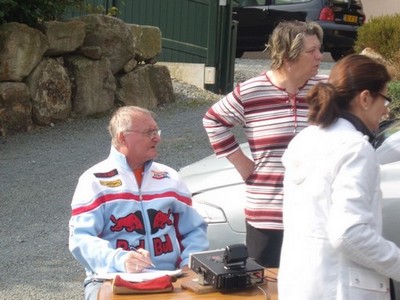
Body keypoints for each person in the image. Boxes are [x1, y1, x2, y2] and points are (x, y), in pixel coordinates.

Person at [202, 20, 327, 267]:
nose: (319, 56)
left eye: (318, 49)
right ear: (288, 56)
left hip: (314, 215)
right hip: (267, 216)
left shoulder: (325, 89)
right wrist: (243, 165)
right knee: (266, 287)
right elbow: (213, 120)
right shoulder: (252, 91)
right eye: (311, 51)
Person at [279, 54, 400, 299]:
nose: (385, 112)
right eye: (385, 100)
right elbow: (348, 233)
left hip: (300, 285)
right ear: (365, 98)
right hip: (340, 289)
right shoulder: (355, 148)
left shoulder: (305, 139)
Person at [68, 106, 209, 300]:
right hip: (110, 279)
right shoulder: (94, 180)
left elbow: (194, 230)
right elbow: (81, 239)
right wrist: (121, 260)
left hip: (171, 278)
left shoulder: (170, 177)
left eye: (156, 131)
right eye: (149, 132)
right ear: (122, 137)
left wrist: (189, 266)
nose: (157, 138)